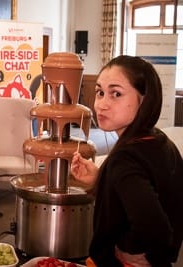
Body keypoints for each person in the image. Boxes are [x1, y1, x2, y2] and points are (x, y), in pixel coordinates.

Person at [70, 55, 183, 267]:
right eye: (100, 92)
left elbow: (156, 228)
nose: (101, 104)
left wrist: (129, 250)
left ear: (144, 100)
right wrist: (101, 179)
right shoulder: (158, 139)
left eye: (116, 94)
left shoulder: (126, 159)